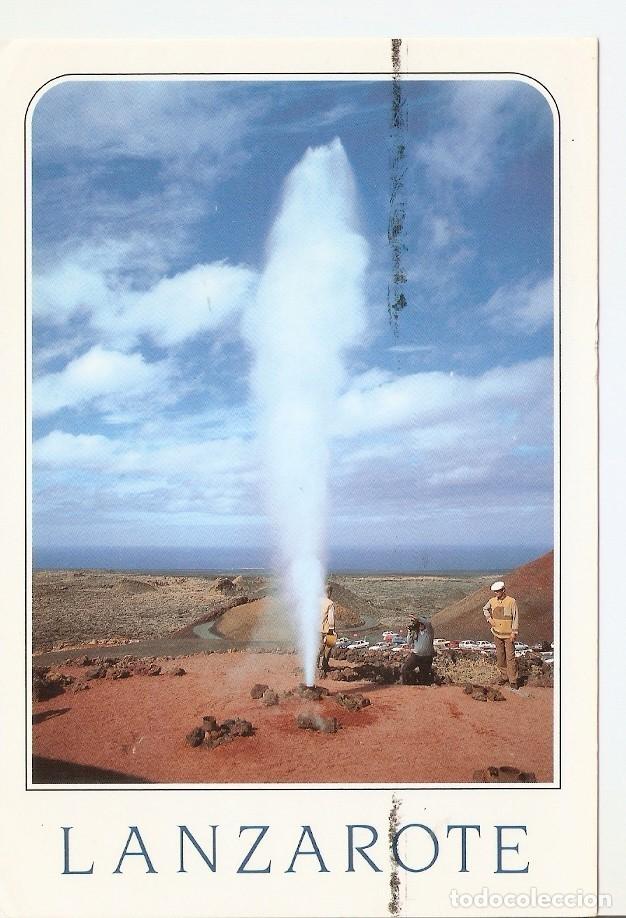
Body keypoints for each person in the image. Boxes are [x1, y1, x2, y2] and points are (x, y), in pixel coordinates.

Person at [482, 580, 519, 690]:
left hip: (508, 635)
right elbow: (485, 609)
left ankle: (513, 680)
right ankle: (504, 676)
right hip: (497, 633)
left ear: (503, 590)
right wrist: (489, 619)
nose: (496, 593)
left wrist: (514, 632)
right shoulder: (492, 601)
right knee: (500, 657)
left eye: (498, 591)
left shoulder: (511, 601)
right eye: (495, 592)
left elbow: (515, 617)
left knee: (510, 657)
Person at [401, 617, 435, 685]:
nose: (420, 625)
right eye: (419, 624)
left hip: (426, 657)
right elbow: (409, 642)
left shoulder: (429, 632)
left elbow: (428, 623)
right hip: (416, 656)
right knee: (405, 669)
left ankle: (422, 688)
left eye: (422, 624)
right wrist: (409, 632)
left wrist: (417, 618)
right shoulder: (416, 633)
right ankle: (409, 684)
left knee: (424, 675)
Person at [317, 583, 336, 679]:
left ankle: (315, 665)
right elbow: (331, 618)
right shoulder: (330, 603)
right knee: (329, 646)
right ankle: (324, 665)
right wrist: (332, 630)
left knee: (317, 647)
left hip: (315, 629)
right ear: (329, 592)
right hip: (327, 629)